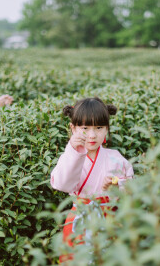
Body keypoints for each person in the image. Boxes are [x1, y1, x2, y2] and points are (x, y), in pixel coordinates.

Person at [50, 97, 134, 262]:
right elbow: (61, 184)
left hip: (110, 220)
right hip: (79, 220)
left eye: (99, 127)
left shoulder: (115, 158)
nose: (92, 135)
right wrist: (74, 151)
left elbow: (132, 188)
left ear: (106, 129)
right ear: (73, 128)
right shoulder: (70, 156)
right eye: (85, 128)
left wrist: (117, 186)